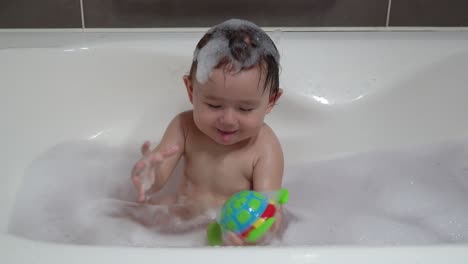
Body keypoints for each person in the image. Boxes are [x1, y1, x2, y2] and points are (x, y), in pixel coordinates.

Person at [130, 18, 284, 245]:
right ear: (191, 90)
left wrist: (255, 238)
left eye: (245, 108)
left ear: (271, 101)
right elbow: (157, 179)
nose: (228, 120)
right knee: (127, 218)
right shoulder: (184, 127)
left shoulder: (264, 146)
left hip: (229, 231)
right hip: (182, 218)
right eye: (214, 105)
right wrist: (145, 174)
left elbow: (270, 210)